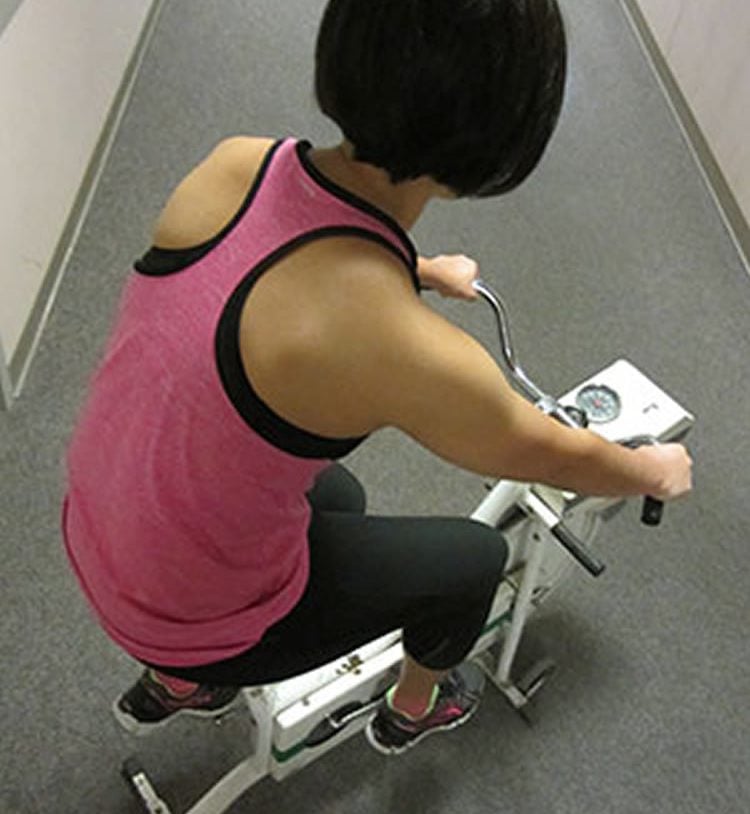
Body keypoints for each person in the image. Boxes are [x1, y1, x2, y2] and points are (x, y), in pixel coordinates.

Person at [62, 0, 692, 756]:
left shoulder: (237, 165)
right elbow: (547, 453)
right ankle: (412, 706)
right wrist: (650, 471)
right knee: (474, 560)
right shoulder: (404, 349)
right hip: (191, 616)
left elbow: (294, 257)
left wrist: (418, 272)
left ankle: (174, 681)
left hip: (98, 529)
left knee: (340, 494)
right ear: (499, 135)